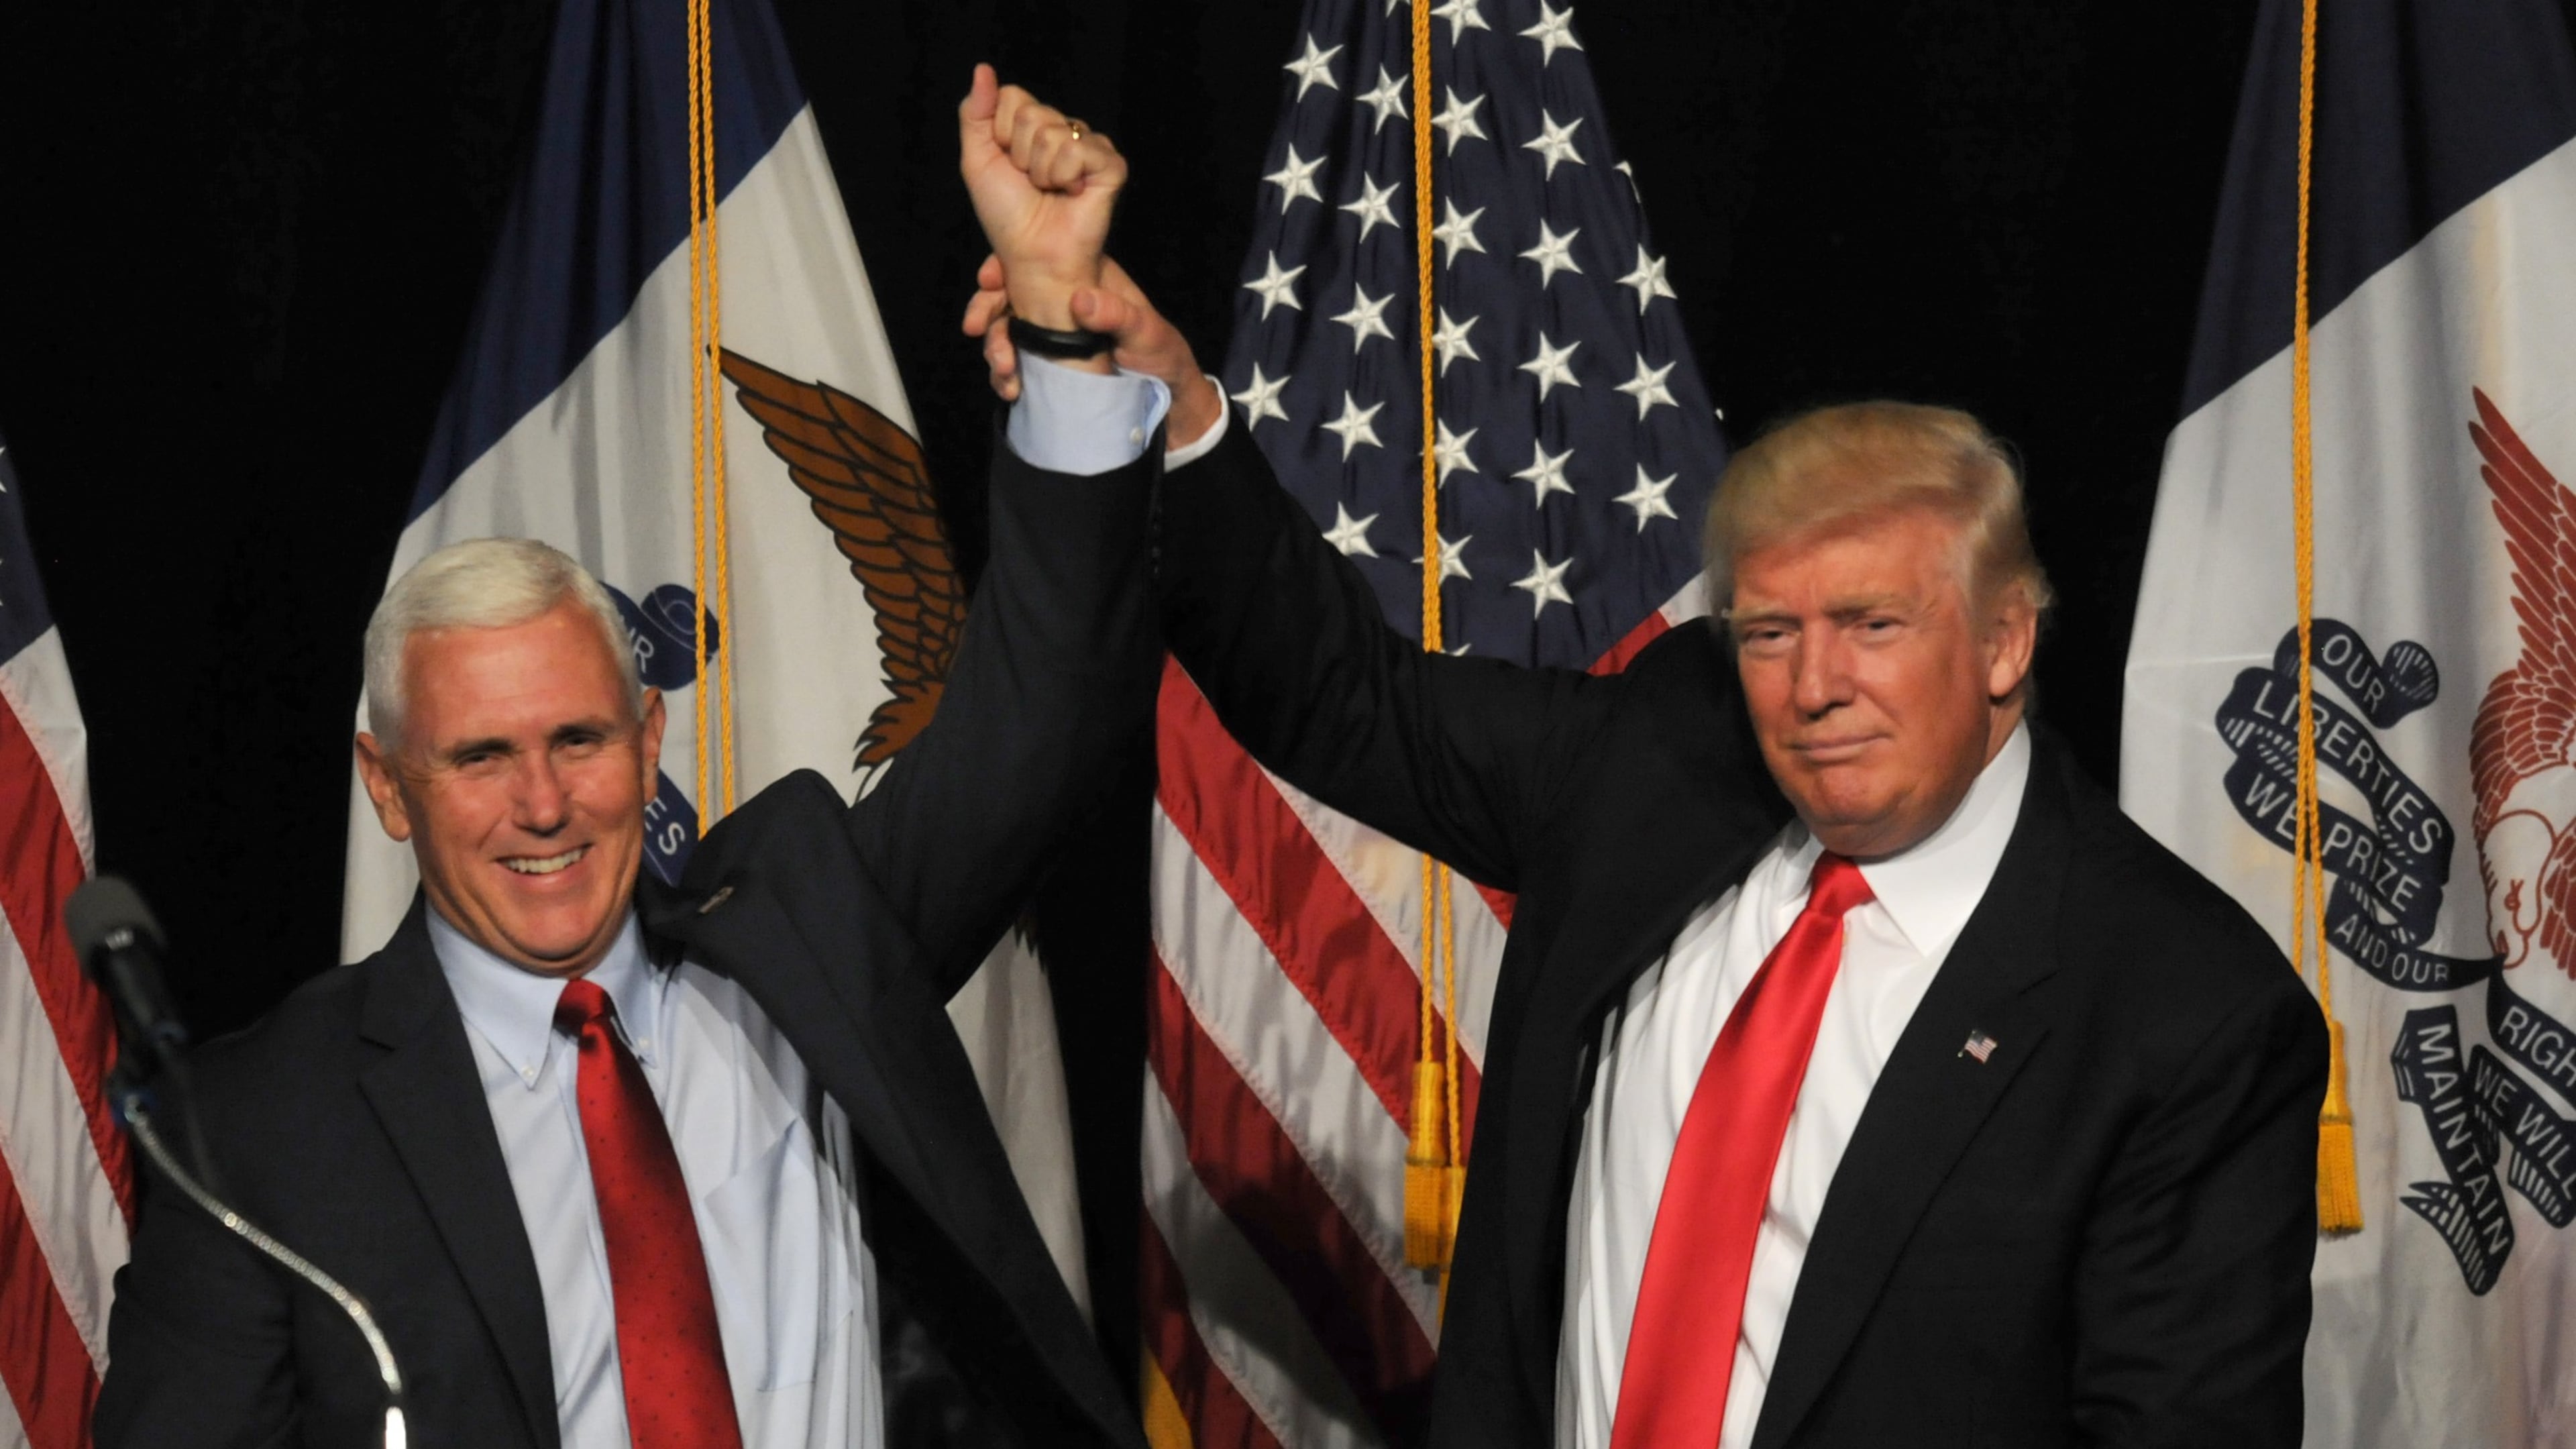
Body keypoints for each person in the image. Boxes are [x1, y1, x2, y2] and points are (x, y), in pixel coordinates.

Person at [967, 249, 2328, 1444]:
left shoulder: (2179, 1010)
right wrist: (1169, 402)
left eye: (1873, 624)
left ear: (2007, 640)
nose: (1813, 687)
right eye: (1772, 632)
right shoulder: (1670, 748)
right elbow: (1345, 699)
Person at [96, 66, 1163, 1449]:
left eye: (580, 738)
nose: (543, 804)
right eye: (481, 756)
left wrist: (1058, 322)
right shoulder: (256, 1134)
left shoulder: (809, 941)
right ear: (388, 786)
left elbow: (1041, 712)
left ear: (649, 736)